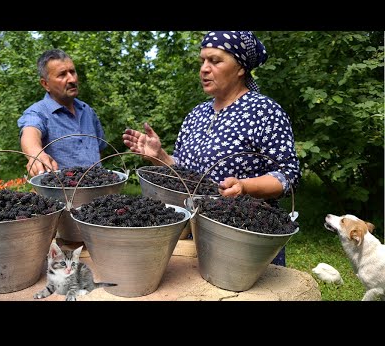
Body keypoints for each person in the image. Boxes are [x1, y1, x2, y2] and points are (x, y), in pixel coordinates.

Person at [123, 31, 301, 266]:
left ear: (240, 68)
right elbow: (186, 174)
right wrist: (161, 157)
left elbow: (288, 176)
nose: (204, 69)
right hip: (194, 234)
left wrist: (244, 186)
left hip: (245, 235)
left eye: (215, 61)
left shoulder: (265, 112)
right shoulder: (196, 115)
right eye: (203, 61)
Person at [18, 49, 107, 177]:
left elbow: (99, 149)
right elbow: (30, 132)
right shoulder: (38, 112)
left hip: (98, 191)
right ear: (45, 84)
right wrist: (36, 154)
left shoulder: (87, 111)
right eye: (62, 75)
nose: (71, 79)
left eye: (72, 72)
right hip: (61, 194)